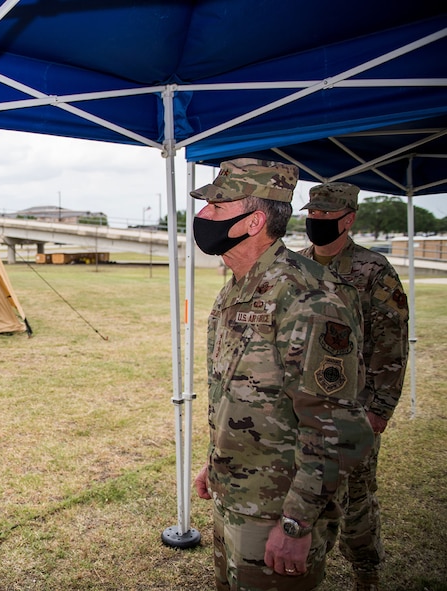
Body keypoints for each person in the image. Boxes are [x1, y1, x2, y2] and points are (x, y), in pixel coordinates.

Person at [190, 158, 374, 591]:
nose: (202, 216)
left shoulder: (308, 296)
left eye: (217, 207)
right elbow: (241, 394)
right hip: (236, 491)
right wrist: (217, 462)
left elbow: (332, 426)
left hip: (278, 508)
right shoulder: (239, 287)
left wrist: (296, 524)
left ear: (253, 221)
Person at [299, 182, 409, 591]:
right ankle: (307, 568)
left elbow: (391, 344)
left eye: (327, 216)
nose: (318, 221)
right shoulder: (296, 266)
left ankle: (366, 570)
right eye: (313, 214)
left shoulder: (374, 270)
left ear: (349, 219)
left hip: (355, 406)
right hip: (304, 405)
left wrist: (379, 408)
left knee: (356, 495)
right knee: (307, 491)